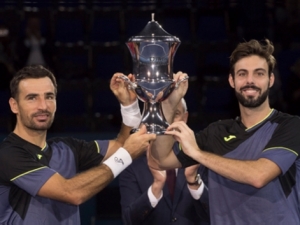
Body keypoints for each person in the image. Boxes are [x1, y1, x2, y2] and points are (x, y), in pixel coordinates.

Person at [147, 39, 300, 224]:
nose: (250, 81)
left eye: (259, 74)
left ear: (271, 80)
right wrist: (169, 104)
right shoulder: (216, 132)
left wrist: (197, 153)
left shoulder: (290, 126)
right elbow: (161, 159)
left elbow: (259, 176)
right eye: (242, 74)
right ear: (231, 80)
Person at [0, 65, 156, 225]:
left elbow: (123, 145)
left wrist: (129, 106)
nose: (43, 106)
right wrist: (126, 155)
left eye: (49, 96)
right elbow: (71, 193)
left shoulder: (67, 147)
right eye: (32, 98)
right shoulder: (8, 154)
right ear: (14, 105)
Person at [119, 98, 210, 225]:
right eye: (162, 114)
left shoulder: (202, 158)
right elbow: (128, 220)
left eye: (175, 113)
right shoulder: (133, 164)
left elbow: (216, 215)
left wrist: (194, 182)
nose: (167, 120)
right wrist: (156, 187)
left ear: (185, 118)